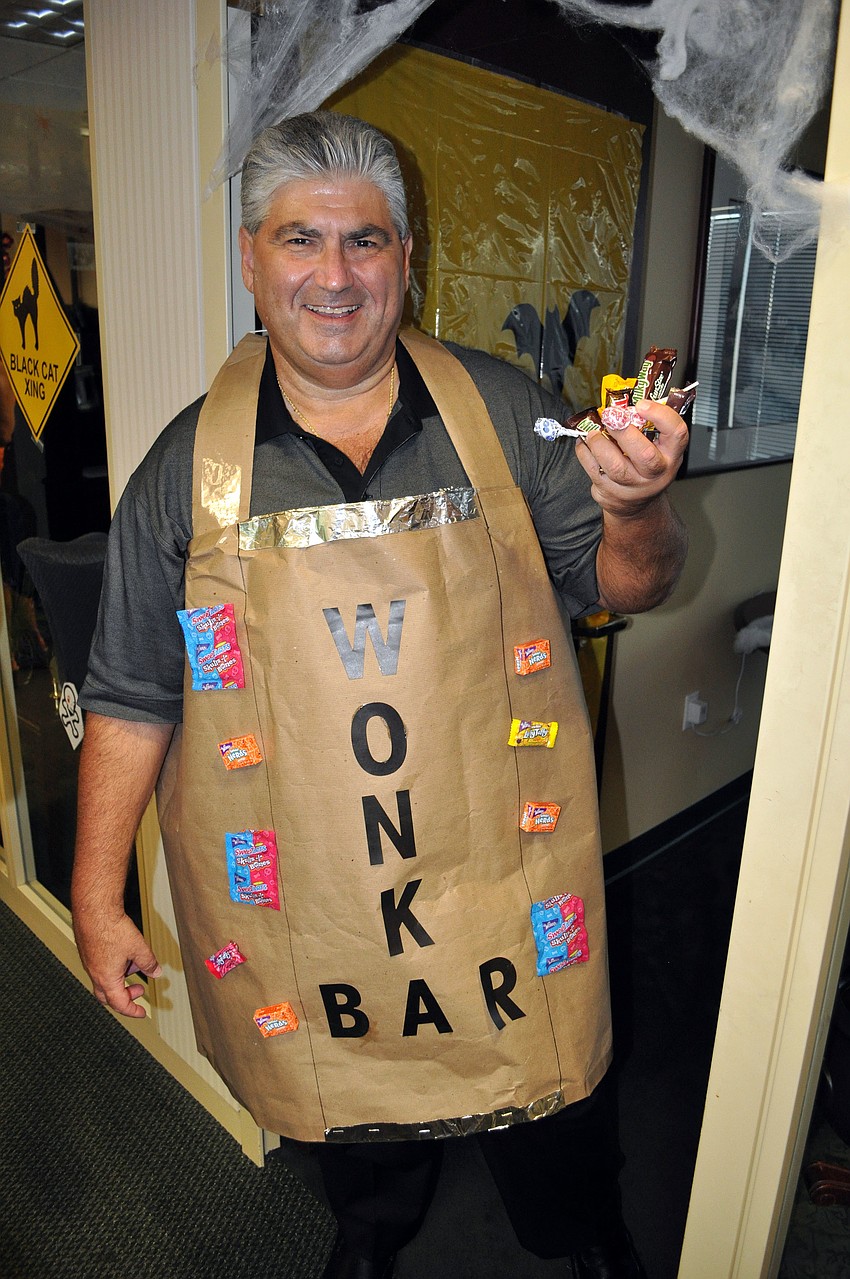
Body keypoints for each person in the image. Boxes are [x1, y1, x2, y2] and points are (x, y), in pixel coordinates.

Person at [72, 111, 688, 1279]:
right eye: (301, 240)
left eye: (365, 242)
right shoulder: (185, 470)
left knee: (552, 1119)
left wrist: (638, 506)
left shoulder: (504, 415)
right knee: (353, 1125)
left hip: (502, 882)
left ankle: (581, 1238)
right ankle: (373, 1233)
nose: (335, 275)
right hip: (312, 911)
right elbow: (134, 687)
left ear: (408, 260)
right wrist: (96, 894)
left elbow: (632, 586)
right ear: (252, 260)